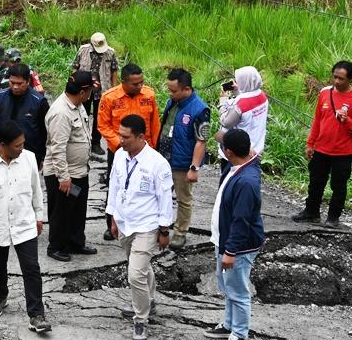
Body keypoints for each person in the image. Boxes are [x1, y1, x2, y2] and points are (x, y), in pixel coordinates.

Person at [0, 120, 50, 332]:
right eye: (17, 145)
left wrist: (39, 216)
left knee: (32, 268)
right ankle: (0, 295)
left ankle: (36, 314)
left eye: (23, 143)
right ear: (3, 144)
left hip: (24, 224)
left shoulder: (29, 159)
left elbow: (37, 190)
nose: (21, 148)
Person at [105, 114, 173, 340]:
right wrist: (113, 216)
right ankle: (149, 300)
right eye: (119, 135)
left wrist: (164, 229)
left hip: (147, 225)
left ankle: (141, 320)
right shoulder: (119, 156)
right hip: (125, 223)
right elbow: (114, 186)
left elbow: (165, 199)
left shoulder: (157, 163)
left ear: (140, 137)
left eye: (125, 137)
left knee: (135, 274)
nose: (120, 140)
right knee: (141, 269)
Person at [208, 128, 263, 340]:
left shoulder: (246, 181)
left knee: (238, 289)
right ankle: (229, 324)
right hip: (224, 240)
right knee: (229, 286)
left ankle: (239, 333)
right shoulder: (239, 167)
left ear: (229, 152)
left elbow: (241, 221)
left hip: (237, 246)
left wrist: (230, 251)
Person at [297, 60, 352, 225]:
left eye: (341, 79)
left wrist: (347, 120)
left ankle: (333, 218)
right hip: (321, 148)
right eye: (335, 77)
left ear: (351, 79)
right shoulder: (324, 93)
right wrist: (310, 143)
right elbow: (317, 120)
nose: (336, 81)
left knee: (339, 186)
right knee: (315, 182)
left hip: (343, 152)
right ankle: (311, 212)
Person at [97, 63, 161, 237]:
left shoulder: (149, 95)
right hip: (120, 150)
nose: (139, 86)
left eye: (141, 82)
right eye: (135, 83)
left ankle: (146, 224)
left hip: (145, 151)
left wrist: (154, 148)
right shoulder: (109, 97)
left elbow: (155, 123)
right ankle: (112, 224)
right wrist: (121, 145)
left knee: (146, 187)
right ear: (123, 82)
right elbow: (103, 125)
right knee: (117, 186)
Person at [44, 70, 95, 262]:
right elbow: (57, 148)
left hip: (79, 171)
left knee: (77, 210)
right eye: (90, 90)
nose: (91, 93)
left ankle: (75, 242)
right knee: (61, 211)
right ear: (83, 91)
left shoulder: (78, 105)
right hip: (65, 174)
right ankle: (56, 246)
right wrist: (63, 177)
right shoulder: (61, 112)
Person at [160, 67, 210, 249]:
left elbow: (201, 141)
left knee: (183, 199)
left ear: (187, 89)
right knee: (160, 194)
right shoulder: (172, 102)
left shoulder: (200, 109)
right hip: (163, 159)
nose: (170, 93)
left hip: (181, 163)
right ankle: (160, 228)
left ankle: (180, 233)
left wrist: (194, 167)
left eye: (174, 90)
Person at [0, 63, 49, 167]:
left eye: (19, 84)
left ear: (28, 82)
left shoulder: (39, 102)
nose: (15, 87)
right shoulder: (0, 98)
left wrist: (43, 156)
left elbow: (46, 132)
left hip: (28, 157)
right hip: (1, 155)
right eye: (12, 82)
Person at [217, 66, 269, 180]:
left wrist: (223, 101)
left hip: (237, 152)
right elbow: (249, 100)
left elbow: (225, 121)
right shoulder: (262, 95)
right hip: (254, 149)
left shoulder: (240, 104)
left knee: (228, 182)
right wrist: (237, 90)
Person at [73, 33, 120, 156]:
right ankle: (83, 141)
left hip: (103, 90)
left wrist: (114, 89)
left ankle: (95, 143)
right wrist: (74, 84)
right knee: (83, 115)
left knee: (100, 118)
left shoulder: (110, 52)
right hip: (85, 90)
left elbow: (114, 70)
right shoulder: (83, 50)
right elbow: (75, 68)